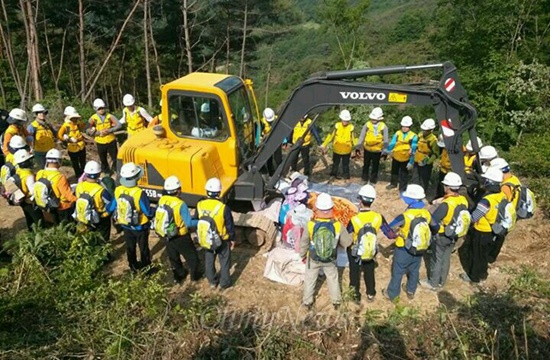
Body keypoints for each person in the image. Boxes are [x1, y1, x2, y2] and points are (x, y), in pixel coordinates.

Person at [383, 184, 438, 301]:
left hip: (403, 248)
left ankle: (392, 294)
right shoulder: (426, 214)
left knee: (398, 272)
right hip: (419, 247)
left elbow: (389, 228)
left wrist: (396, 234)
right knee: (414, 270)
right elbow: (436, 227)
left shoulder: (405, 216)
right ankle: (410, 290)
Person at [300, 193, 352, 310]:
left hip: (313, 257)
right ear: (332, 209)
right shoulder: (338, 225)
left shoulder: (310, 225)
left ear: (317, 209)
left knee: (309, 279)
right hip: (330, 259)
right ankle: (336, 301)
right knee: (333, 278)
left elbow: (304, 242)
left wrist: (302, 255)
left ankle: (307, 302)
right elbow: (347, 243)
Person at [420, 172, 469, 290]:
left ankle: (433, 283)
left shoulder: (446, 204)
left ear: (447, 188)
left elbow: (434, 220)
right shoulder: (463, 200)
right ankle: (442, 281)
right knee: (446, 258)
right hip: (454, 234)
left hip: (442, 235)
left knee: (437, 259)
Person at [347, 185, 395, 303]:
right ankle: (371, 293)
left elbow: (347, 233)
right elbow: (389, 234)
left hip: (356, 250)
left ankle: (355, 295)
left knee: (354, 272)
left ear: (360, 201)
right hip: (370, 249)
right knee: (369, 270)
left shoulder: (355, 219)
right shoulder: (378, 217)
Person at [460, 167, 505, 284]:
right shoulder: (501, 195)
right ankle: (483, 274)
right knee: (484, 254)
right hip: (493, 229)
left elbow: (475, 217)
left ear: (490, 182)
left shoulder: (486, 200)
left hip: (482, 231)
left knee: (477, 254)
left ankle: (474, 277)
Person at [155, 175, 201, 284]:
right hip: (181, 235)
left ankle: (179, 276)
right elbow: (189, 223)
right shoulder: (180, 204)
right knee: (192, 257)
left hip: (167, 234)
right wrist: (201, 221)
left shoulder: (162, 200)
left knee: (173, 257)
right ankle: (195, 276)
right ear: (178, 190)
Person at [110, 162, 153, 272]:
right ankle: (146, 268)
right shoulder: (139, 193)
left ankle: (133, 267)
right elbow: (147, 211)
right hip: (140, 226)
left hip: (125, 224)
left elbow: (111, 206)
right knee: (143, 247)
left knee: (130, 247)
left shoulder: (118, 190)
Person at [196, 177, 235, 289]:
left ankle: (212, 282)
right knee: (224, 262)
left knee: (209, 260)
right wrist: (232, 239)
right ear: (219, 192)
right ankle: (225, 283)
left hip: (207, 238)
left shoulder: (200, 205)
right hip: (222, 240)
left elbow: (197, 219)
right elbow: (229, 226)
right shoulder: (223, 208)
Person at [74, 161, 114, 244]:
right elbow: (110, 203)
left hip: (85, 215)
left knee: (89, 236)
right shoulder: (101, 190)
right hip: (101, 217)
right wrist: (107, 214)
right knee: (103, 238)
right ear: (98, 174)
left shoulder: (79, 186)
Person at [488, 157, 519, 264]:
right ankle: (492, 257)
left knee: (496, 236)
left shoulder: (505, 186)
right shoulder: (514, 179)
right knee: (501, 236)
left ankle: (489, 257)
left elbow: (500, 202)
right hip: (512, 213)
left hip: (503, 216)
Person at [34, 149, 77, 225]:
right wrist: (78, 199)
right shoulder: (60, 177)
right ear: (58, 161)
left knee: (55, 224)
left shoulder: (40, 173)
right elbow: (67, 196)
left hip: (48, 205)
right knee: (66, 226)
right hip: (62, 207)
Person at [355, 107, 388, 184]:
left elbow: (386, 140)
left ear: (379, 118)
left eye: (375, 119)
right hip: (367, 148)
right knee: (366, 164)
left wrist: (385, 151)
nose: (373, 120)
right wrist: (358, 147)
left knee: (375, 166)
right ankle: (364, 179)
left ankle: (373, 181)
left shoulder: (383, 126)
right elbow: (362, 136)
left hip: (377, 150)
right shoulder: (367, 124)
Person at [12, 149, 43, 230]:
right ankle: (40, 233)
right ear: (24, 162)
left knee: (29, 218)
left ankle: (31, 232)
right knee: (38, 220)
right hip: (30, 201)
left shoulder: (19, 170)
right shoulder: (29, 176)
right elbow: (33, 191)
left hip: (22, 200)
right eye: (28, 160)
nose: (31, 162)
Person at [88, 98, 121, 175]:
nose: (102, 110)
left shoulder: (110, 116)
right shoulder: (93, 118)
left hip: (110, 140)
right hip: (100, 141)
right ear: (96, 109)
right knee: (103, 159)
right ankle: (106, 171)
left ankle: (116, 170)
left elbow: (119, 125)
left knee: (115, 157)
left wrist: (109, 130)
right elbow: (87, 129)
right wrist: (98, 133)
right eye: (99, 108)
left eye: (102, 108)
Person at [321, 110, 356, 179]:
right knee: (335, 163)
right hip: (337, 149)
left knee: (345, 165)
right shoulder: (337, 126)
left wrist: (357, 147)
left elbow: (354, 139)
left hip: (346, 150)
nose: (345, 122)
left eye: (346, 120)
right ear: (341, 119)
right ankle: (333, 174)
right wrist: (324, 144)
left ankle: (346, 176)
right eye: (344, 120)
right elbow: (330, 136)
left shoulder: (351, 128)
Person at [386, 116, 418, 192]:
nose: (404, 128)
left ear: (409, 127)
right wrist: (387, 151)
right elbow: (393, 143)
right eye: (403, 126)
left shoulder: (413, 136)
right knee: (394, 171)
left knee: (404, 174)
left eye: (406, 127)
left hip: (406, 158)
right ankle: (393, 183)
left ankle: (402, 188)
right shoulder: (397, 133)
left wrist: (411, 162)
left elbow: (413, 150)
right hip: (396, 156)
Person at [58, 108, 86, 178]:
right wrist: (67, 139)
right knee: (75, 163)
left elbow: (84, 127)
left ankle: (84, 174)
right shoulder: (66, 125)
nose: (75, 119)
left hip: (81, 145)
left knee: (83, 162)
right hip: (72, 147)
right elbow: (59, 135)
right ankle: (78, 175)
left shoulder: (79, 124)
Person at [28, 103, 56, 169]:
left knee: (51, 169)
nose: (42, 114)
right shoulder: (32, 126)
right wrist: (30, 148)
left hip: (50, 152)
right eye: (40, 113)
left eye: (44, 113)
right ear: (35, 114)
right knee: (42, 169)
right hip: (40, 153)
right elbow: (28, 139)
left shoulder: (48, 125)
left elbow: (56, 134)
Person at [413, 119, 439, 191]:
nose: (424, 131)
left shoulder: (433, 140)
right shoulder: (420, 135)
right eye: (423, 129)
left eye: (426, 130)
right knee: (415, 178)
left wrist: (427, 162)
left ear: (431, 130)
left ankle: (422, 193)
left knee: (423, 180)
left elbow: (435, 154)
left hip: (426, 162)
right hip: (417, 159)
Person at [261, 108, 282, 176]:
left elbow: (282, 130)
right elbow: (260, 134)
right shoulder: (262, 122)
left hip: (276, 139)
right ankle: (271, 173)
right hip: (267, 142)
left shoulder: (277, 119)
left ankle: (280, 172)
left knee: (278, 157)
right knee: (268, 158)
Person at [435, 135, 451, 200]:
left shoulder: (456, 149)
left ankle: (445, 198)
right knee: (440, 185)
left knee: (447, 186)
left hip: (450, 171)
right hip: (443, 169)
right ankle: (439, 196)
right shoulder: (445, 148)